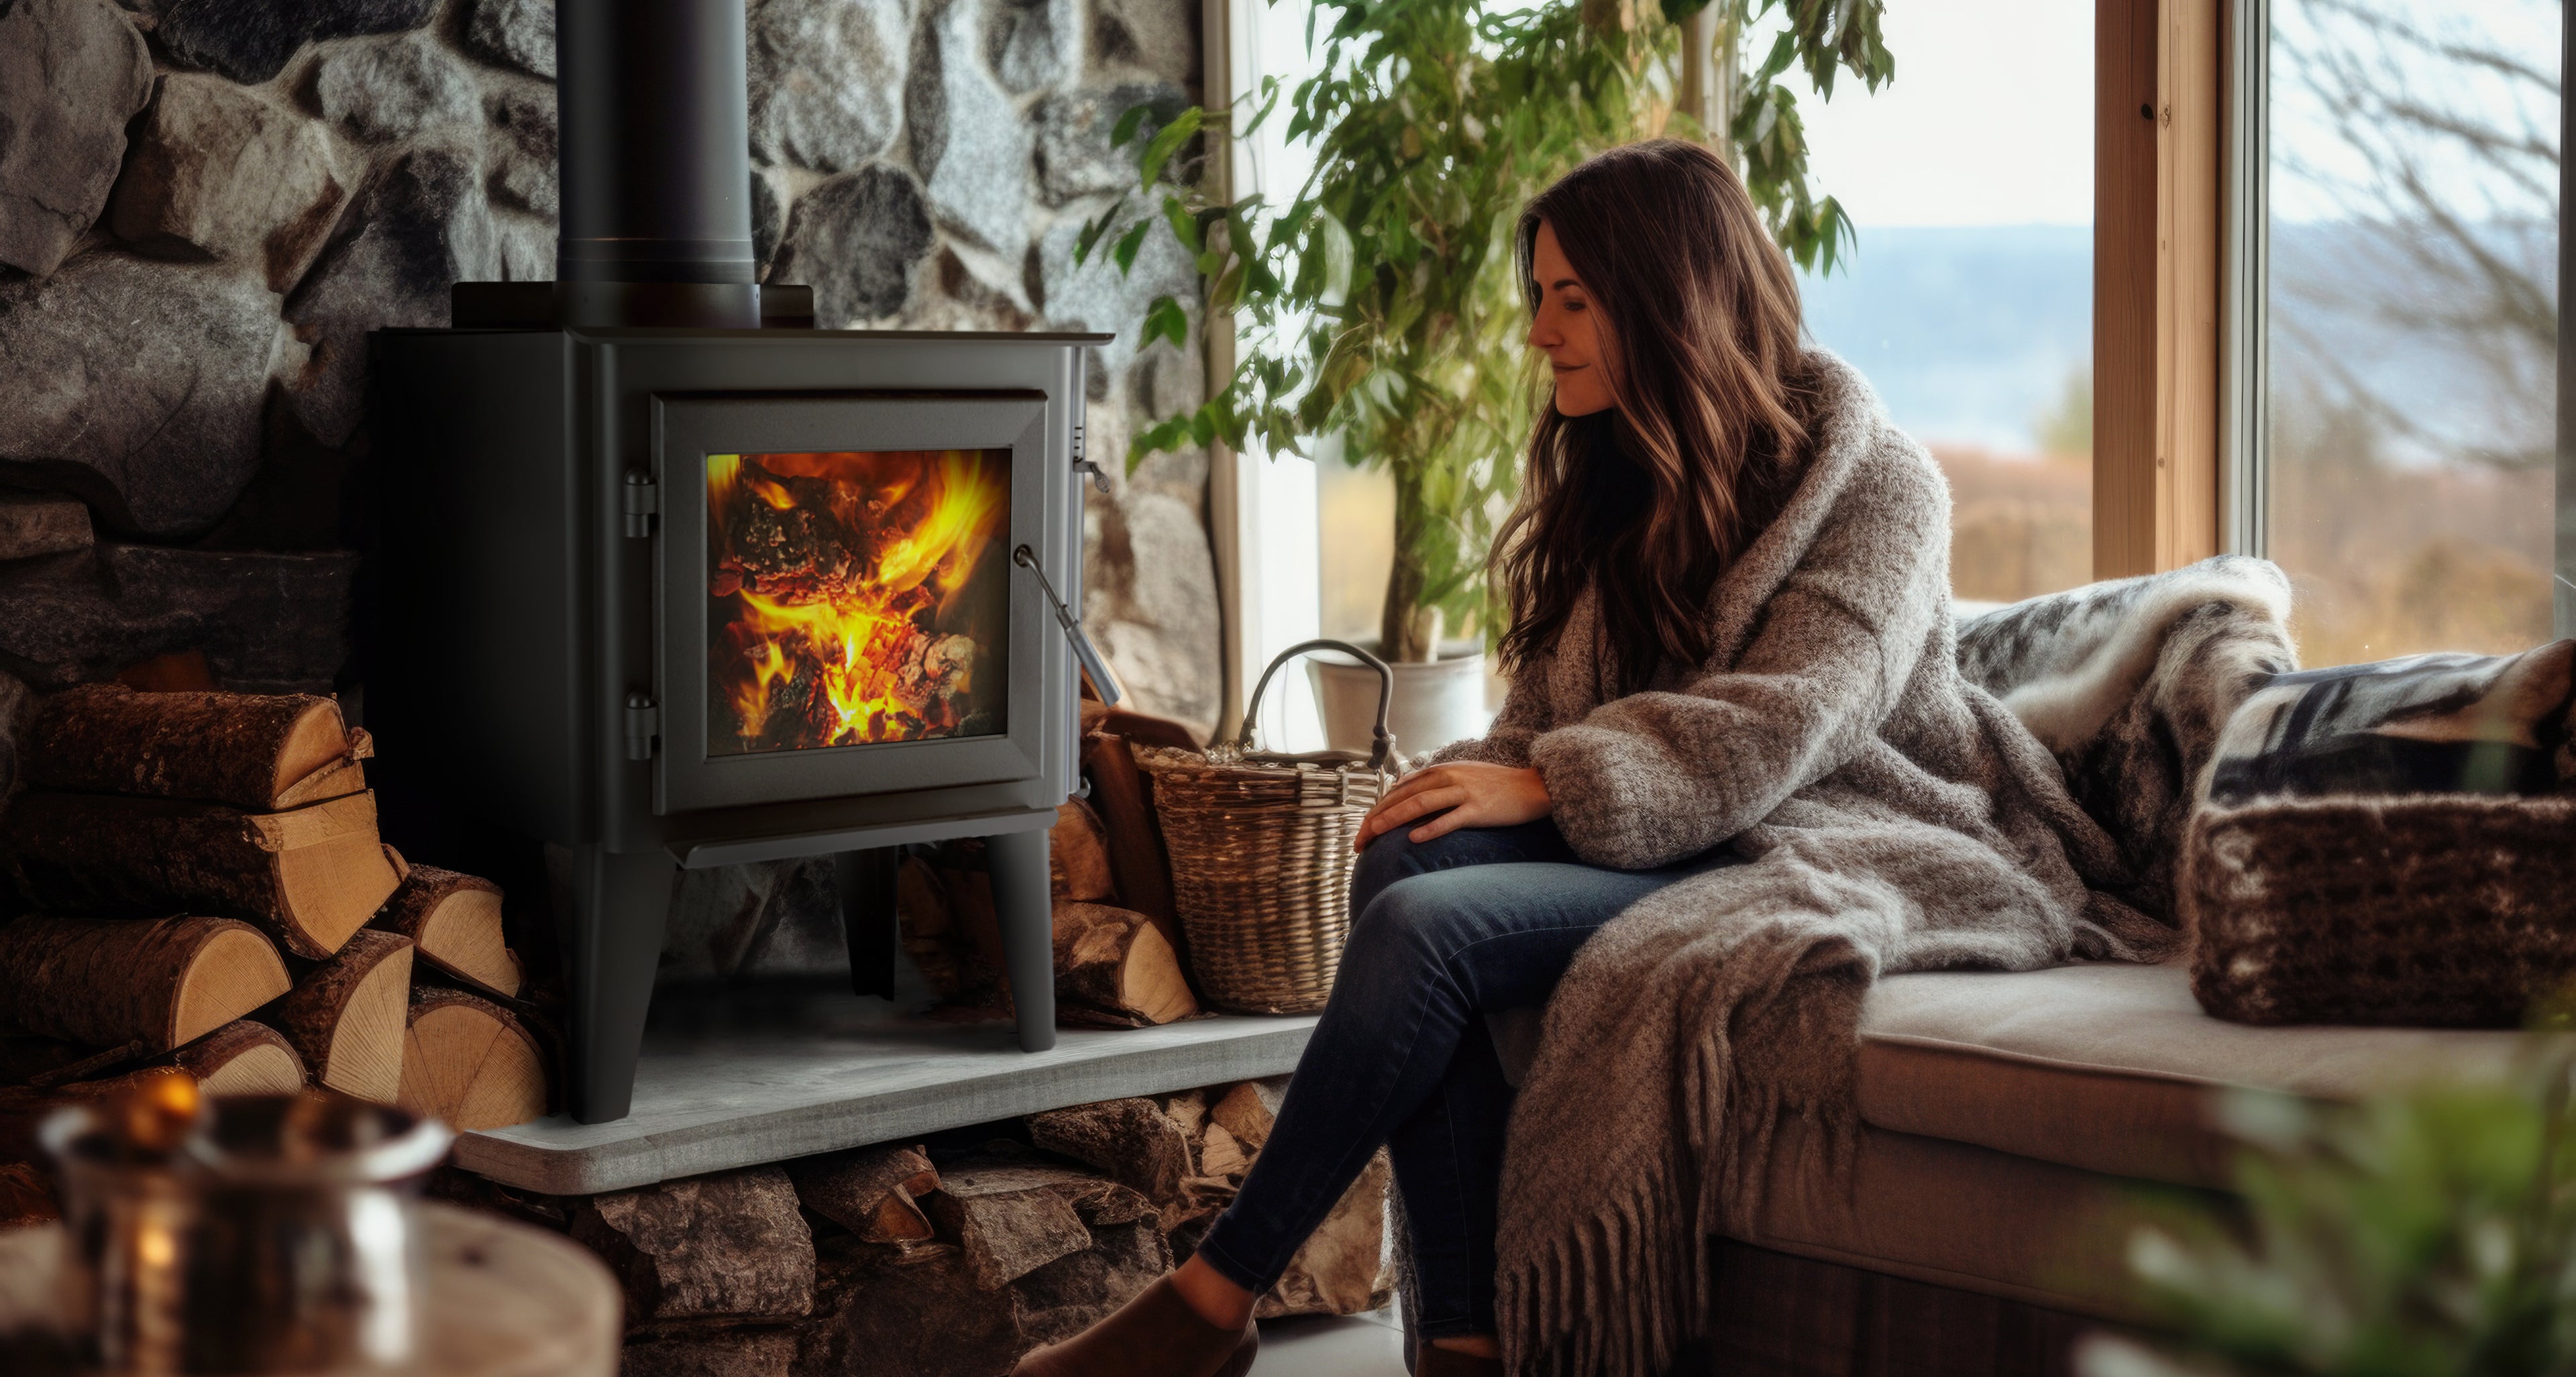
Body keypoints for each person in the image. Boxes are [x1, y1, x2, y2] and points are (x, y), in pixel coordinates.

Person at [1013, 137, 1866, 1377]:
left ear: (1667, 298)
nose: (1538, 332)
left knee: (1424, 928)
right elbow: (1543, 716)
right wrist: (1475, 777)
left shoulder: (1868, 482)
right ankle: (1462, 1337)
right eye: (1538, 297)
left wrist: (1549, 783)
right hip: (1662, 837)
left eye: (1572, 300)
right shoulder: (1626, 474)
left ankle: (1211, 1298)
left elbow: (1783, 724)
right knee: (1409, 848)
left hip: (1797, 842)